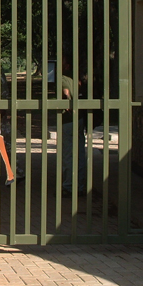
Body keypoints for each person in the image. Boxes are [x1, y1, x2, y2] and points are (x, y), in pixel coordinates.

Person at [60, 57, 87, 197]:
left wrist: (68, 104)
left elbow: (66, 93)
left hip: (68, 119)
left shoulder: (63, 77)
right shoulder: (78, 78)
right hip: (80, 118)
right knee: (80, 152)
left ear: (66, 64)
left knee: (68, 154)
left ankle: (69, 186)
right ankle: (80, 185)